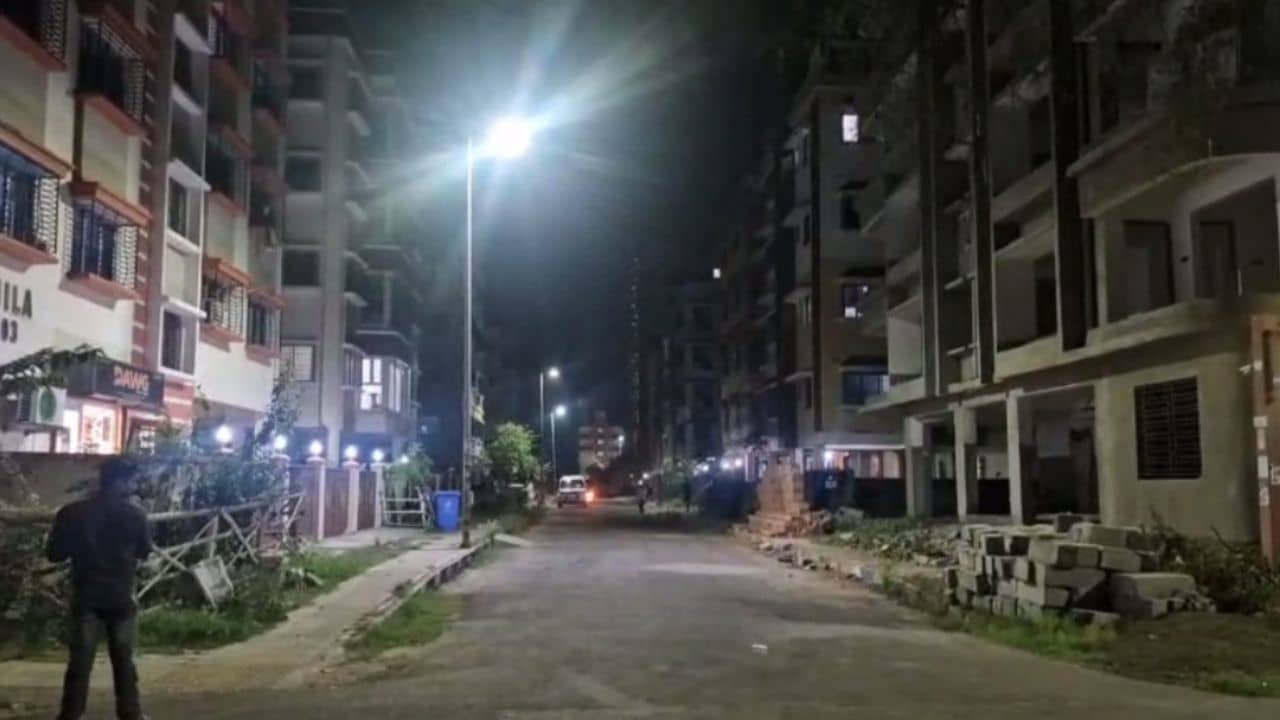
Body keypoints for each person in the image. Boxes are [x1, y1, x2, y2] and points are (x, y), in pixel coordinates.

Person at [47, 457, 152, 720]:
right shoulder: (135, 515)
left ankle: (71, 714)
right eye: (132, 481)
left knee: (80, 661)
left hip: (86, 594)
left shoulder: (72, 513)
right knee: (124, 661)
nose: (134, 486)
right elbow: (144, 551)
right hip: (121, 595)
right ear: (122, 481)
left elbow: (55, 553)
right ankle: (130, 713)